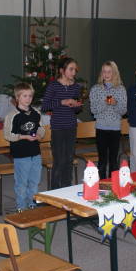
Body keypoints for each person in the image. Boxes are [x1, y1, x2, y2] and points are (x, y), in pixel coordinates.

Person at [41, 57, 82, 188]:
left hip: (71, 127)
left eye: (75, 70)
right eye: (71, 69)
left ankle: (66, 188)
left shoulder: (76, 86)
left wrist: (76, 105)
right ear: (62, 70)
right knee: (59, 159)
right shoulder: (53, 85)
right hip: (58, 128)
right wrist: (62, 102)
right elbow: (45, 106)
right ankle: (55, 190)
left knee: (69, 159)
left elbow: (78, 109)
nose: (74, 72)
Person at [4, 83, 44, 212]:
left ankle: (32, 202)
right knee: (22, 183)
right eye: (24, 96)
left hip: (35, 153)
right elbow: (7, 135)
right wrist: (23, 137)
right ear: (17, 98)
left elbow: (41, 128)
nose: (28, 99)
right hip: (21, 155)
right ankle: (20, 206)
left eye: (30, 96)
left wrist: (39, 135)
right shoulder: (12, 115)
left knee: (34, 181)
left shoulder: (36, 113)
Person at [89, 61, 127, 178]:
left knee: (113, 160)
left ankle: (113, 183)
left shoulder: (121, 89)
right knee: (102, 159)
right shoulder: (95, 89)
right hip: (101, 128)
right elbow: (93, 110)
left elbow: (123, 110)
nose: (106, 74)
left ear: (114, 73)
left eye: (109, 72)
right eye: (104, 71)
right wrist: (105, 103)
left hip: (115, 128)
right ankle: (101, 183)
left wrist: (115, 104)